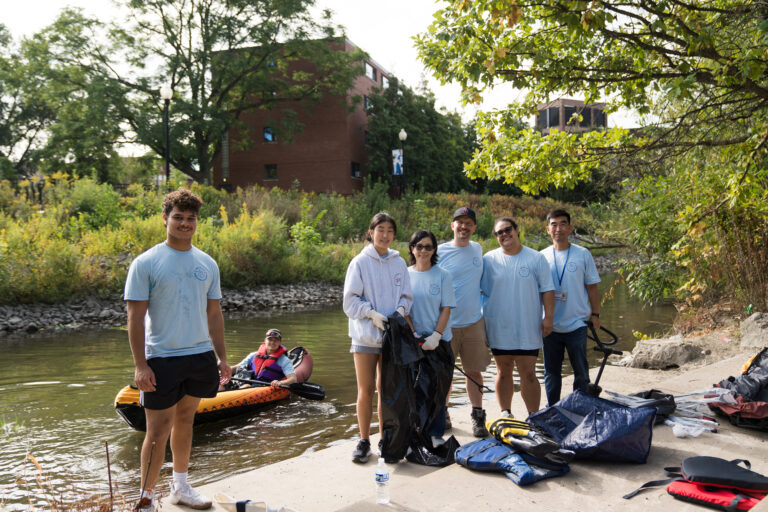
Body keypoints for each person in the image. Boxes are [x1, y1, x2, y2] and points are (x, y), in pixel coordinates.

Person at [124, 188, 231, 512]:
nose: (185, 224)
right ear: (165, 218)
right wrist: (141, 365)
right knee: (157, 431)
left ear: (197, 221)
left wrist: (223, 357)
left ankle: (180, 487)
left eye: (191, 219)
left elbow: (214, 315)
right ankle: (145, 499)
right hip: (161, 358)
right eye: (178, 218)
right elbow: (135, 317)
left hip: (199, 356)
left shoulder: (207, 263)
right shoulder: (146, 263)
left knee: (186, 421)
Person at [343, 212, 413, 463]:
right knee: (366, 390)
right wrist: (370, 313)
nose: (385, 235)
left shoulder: (399, 262)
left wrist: (400, 313)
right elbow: (349, 302)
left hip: (391, 337)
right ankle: (363, 440)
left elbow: (406, 297)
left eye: (390, 231)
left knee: (387, 389)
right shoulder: (360, 262)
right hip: (365, 336)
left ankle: (387, 438)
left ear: (394, 235)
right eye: (380, 229)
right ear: (370, 232)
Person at [481, 217, 554, 417]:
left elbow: (547, 290)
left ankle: (533, 416)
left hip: (527, 326)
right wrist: (481, 325)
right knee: (503, 372)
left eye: (507, 230)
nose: (504, 235)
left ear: (516, 229)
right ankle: (506, 413)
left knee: (529, 373)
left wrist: (548, 317)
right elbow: (478, 293)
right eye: (499, 233)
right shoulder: (488, 259)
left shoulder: (536, 258)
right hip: (498, 325)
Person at [437, 206, 491, 437]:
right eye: (460, 222)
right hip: (445, 325)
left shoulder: (478, 249)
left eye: (469, 223)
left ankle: (478, 416)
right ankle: (442, 413)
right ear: (452, 225)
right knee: (444, 374)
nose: (464, 227)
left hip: (473, 323)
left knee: (474, 372)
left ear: (474, 228)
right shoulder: (438, 252)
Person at [540, 209, 601, 406]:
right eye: (554, 224)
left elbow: (592, 286)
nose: (559, 228)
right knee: (551, 373)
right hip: (550, 326)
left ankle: (580, 407)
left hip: (577, 323)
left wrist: (596, 314)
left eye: (563, 224)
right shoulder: (541, 257)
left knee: (581, 371)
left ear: (570, 228)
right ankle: (553, 409)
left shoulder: (582, 254)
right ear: (548, 229)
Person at [407, 230, 455, 445]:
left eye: (428, 246)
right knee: (414, 390)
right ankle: (416, 433)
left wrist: (436, 335)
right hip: (413, 342)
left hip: (439, 342)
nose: (423, 250)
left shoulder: (443, 274)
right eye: (419, 246)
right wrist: (414, 334)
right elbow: (403, 309)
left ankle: (436, 434)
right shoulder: (406, 274)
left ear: (434, 249)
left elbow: (446, 308)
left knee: (438, 389)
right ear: (412, 249)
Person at [223, 328, 297, 390]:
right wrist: (226, 370)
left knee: (246, 386)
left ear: (280, 342)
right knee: (222, 384)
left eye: (276, 340)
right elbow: (238, 367)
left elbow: (293, 379)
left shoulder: (284, 360)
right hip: (247, 382)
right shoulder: (253, 355)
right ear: (265, 341)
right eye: (270, 339)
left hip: (264, 387)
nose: (272, 342)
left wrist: (280, 382)